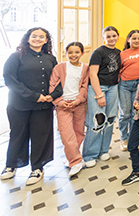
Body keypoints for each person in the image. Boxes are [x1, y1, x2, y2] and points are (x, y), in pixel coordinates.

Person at [1, 28, 62, 185]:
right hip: (18, 105)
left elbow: (58, 80)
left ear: (46, 40)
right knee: (17, 135)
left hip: (43, 107)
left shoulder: (51, 58)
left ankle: (37, 168)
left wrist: (53, 95)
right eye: (34, 36)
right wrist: (35, 96)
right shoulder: (16, 57)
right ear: (27, 39)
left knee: (40, 136)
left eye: (41, 37)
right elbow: (10, 80)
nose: (37, 39)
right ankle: (10, 165)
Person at [49, 42, 89, 177]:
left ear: (82, 53)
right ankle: (76, 160)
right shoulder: (59, 67)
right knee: (66, 134)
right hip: (63, 106)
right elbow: (52, 86)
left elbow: (84, 87)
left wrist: (78, 100)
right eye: (70, 52)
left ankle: (73, 157)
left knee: (78, 132)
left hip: (78, 105)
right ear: (66, 53)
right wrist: (59, 102)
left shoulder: (85, 68)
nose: (73, 55)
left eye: (77, 52)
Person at [83, 26, 121, 169]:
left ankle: (103, 150)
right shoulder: (98, 52)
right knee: (97, 120)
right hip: (99, 88)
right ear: (103, 38)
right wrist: (99, 95)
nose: (111, 39)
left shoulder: (118, 52)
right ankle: (90, 155)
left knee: (110, 119)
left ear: (118, 36)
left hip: (113, 87)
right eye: (108, 36)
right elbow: (93, 74)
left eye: (114, 36)